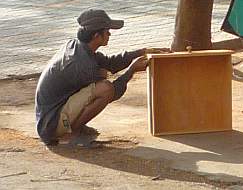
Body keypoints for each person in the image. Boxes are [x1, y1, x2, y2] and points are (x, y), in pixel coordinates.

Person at [35, 9, 169, 146]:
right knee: (104, 89)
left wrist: (142, 52)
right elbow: (113, 92)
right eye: (107, 31)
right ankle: (70, 135)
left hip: (50, 117)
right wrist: (131, 70)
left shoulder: (77, 46)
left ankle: (73, 127)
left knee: (102, 77)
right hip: (51, 125)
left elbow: (110, 63)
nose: (110, 34)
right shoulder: (83, 65)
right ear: (96, 36)